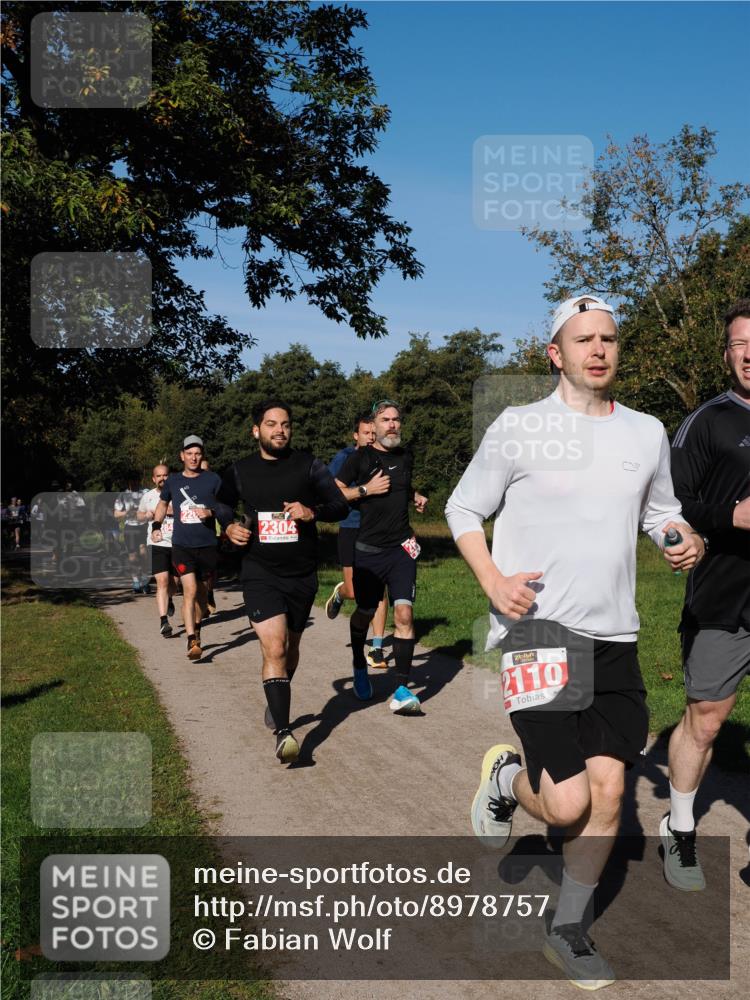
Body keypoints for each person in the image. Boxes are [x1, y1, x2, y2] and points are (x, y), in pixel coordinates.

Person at [445, 294, 704, 990]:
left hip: (615, 634)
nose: (599, 349)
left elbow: (661, 511)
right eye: (583, 338)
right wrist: (494, 581)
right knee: (566, 805)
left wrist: (681, 539)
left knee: (611, 793)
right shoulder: (520, 427)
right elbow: (463, 508)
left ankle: (567, 929)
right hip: (539, 632)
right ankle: (507, 778)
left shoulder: (647, 432)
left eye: (609, 338)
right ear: (554, 353)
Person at [663, 298, 750, 891]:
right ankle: (680, 827)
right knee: (708, 719)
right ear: (727, 355)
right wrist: (731, 516)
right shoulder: (708, 420)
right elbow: (668, 503)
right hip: (725, 596)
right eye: (741, 344)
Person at [217, 399, 349, 764]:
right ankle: (284, 732)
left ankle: (277, 699)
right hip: (260, 571)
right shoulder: (239, 471)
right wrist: (228, 525)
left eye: (286, 424)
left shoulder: (309, 466)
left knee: (290, 649)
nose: (280, 430)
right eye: (272, 424)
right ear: (256, 430)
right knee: (273, 648)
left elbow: (341, 506)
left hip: (301, 574)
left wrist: (313, 512)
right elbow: (221, 503)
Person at [334, 400, 428, 710]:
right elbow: (334, 494)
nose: (392, 424)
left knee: (404, 614)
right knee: (364, 610)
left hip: (401, 549)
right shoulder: (359, 459)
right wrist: (365, 490)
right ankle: (359, 664)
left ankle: (402, 690)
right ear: (372, 427)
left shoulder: (405, 457)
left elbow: (402, 485)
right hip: (368, 552)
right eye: (385, 419)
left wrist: (415, 496)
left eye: (396, 419)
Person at [151, 436, 228, 661]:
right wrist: (156, 525)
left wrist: (211, 513)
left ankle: (197, 628)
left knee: (202, 594)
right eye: (189, 453)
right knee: (190, 589)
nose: (193, 457)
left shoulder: (213, 479)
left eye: (197, 453)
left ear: (201, 455)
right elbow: (163, 504)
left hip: (207, 545)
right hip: (182, 545)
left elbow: (225, 506)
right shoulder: (173, 481)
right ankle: (191, 639)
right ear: (182, 456)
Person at [325, 413, 390, 667]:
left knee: (380, 591)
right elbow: (331, 490)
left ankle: (376, 648)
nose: (371, 437)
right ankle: (341, 593)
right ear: (356, 435)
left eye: (374, 433)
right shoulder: (344, 458)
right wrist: (363, 491)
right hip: (351, 527)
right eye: (366, 433)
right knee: (354, 590)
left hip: (378, 530)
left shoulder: (383, 457)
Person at [138, 464, 178, 638]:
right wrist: (146, 515)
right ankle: (164, 622)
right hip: (157, 543)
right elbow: (138, 515)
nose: (162, 478)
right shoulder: (147, 496)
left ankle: (170, 598)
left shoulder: (178, 493)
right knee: (162, 581)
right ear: (154, 479)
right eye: (159, 476)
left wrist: (169, 510)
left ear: (170, 477)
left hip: (178, 543)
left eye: (165, 475)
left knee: (174, 583)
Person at [114, 477, 148, 594]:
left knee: (143, 553)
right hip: (130, 527)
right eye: (132, 480)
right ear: (128, 482)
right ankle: (136, 581)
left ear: (139, 481)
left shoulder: (146, 492)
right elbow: (116, 514)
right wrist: (126, 513)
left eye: (136, 480)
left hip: (144, 526)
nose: (134, 483)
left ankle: (144, 580)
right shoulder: (123, 495)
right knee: (132, 555)